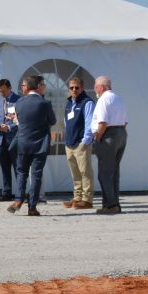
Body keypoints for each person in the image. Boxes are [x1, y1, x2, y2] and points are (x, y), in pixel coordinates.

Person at [9, 75, 56, 216]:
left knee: (21, 172)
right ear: (38, 86)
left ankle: (18, 199)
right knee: (36, 176)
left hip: (23, 142)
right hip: (40, 144)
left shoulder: (19, 103)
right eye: (44, 85)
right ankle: (32, 207)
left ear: (28, 87)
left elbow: (19, 121)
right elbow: (52, 121)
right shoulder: (45, 103)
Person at [91, 75, 129, 215]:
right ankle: (114, 203)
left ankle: (110, 204)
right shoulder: (118, 98)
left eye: (95, 86)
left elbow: (102, 123)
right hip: (121, 133)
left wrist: (98, 139)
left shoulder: (103, 99)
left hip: (108, 135)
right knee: (114, 172)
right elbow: (125, 121)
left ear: (101, 87)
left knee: (104, 173)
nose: (95, 89)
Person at [62, 76, 96, 210]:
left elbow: (89, 124)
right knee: (75, 172)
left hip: (81, 143)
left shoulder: (87, 103)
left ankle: (87, 200)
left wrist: (85, 142)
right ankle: (77, 197)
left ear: (82, 88)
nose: (74, 90)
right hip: (69, 143)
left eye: (77, 87)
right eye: (71, 88)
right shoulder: (69, 103)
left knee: (85, 172)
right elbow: (66, 122)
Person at [0, 78, 19, 201]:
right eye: (0, 92)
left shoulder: (19, 101)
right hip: (1, 141)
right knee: (5, 168)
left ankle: (20, 193)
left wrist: (8, 127)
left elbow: (20, 121)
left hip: (14, 140)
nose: (2, 94)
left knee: (18, 168)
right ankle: (7, 192)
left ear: (9, 88)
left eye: (3, 91)